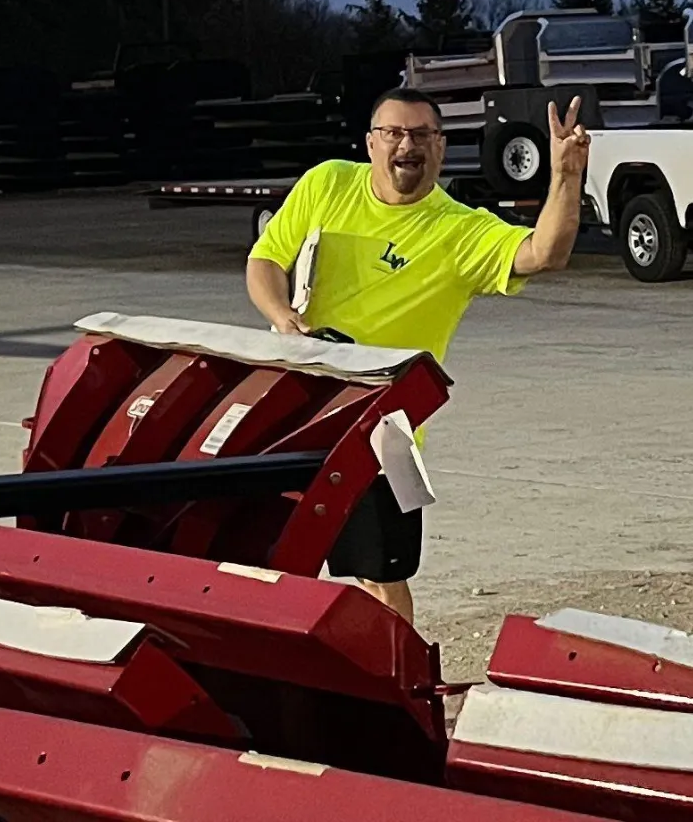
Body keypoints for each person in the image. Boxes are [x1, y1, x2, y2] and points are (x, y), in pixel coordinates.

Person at [245, 86, 590, 624]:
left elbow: (546, 253)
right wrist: (284, 318)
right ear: (370, 143)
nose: (407, 145)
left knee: (382, 576)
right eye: (394, 133)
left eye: (422, 135)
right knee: (270, 562)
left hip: (384, 431)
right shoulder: (328, 184)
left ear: (441, 148)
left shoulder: (458, 231)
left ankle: (400, 689)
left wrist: (566, 176)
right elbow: (266, 260)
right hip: (296, 407)